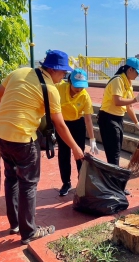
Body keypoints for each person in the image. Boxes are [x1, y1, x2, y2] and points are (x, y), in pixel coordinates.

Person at [0, 50, 84, 245]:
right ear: (53, 69)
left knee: (11, 178)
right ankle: (29, 232)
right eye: (63, 73)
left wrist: (14, 113)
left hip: (0, 133)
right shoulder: (50, 90)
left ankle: (15, 224)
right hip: (23, 139)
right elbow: (59, 125)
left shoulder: (19, 72)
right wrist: (75, 148)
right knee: (28, 184)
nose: (64, 77)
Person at [97, 57, 139, 190]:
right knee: (114, 153)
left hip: (118, 118)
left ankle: (115, 183)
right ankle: (116, 186)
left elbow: (129, 106)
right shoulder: (118, 80)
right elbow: (117, 101)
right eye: (136, 72)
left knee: (116, 150)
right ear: (130, 69)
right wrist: (136, 99)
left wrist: (137, 123)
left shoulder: (128, 82)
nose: (137, 76)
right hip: (108, 118)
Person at [55, 68, 99, 196]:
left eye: (81, 86)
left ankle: (81, 182)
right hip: (62, 124)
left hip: (77, 125)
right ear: (69, 81)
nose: (79, 89)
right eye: (76, 86)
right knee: (64, 154)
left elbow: (88, 120)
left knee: (79, 154)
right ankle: (66, 183)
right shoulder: (59, 87)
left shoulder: (85, 96)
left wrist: (92, 140)